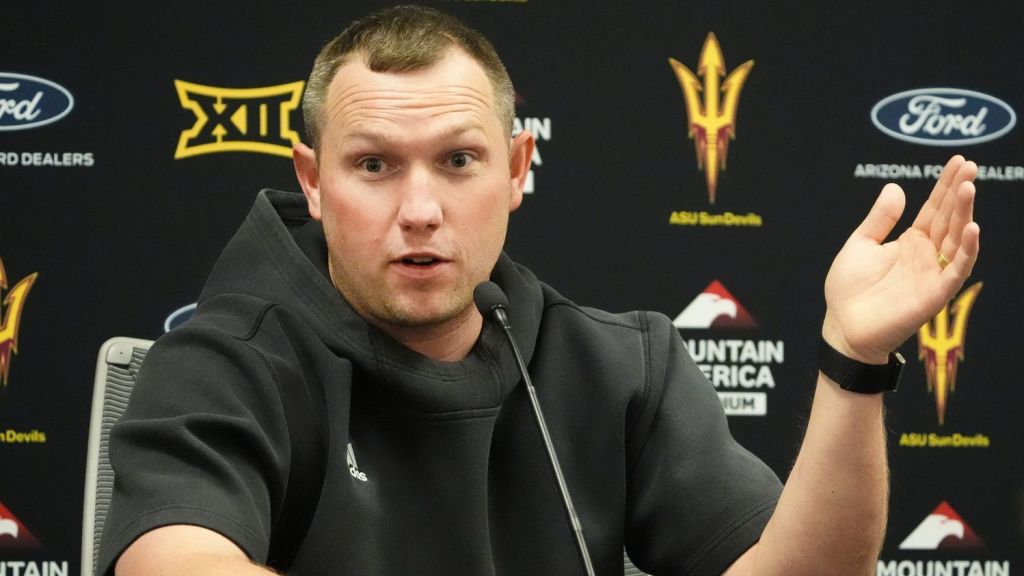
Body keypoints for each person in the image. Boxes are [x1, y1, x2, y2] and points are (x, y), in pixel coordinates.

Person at [97, 5, 980, 576]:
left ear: (518, 168)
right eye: (374, 166)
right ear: (313, 180)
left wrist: (853, 362)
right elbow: (174, 563)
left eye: (458, 160)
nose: (420, 210)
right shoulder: (222, 358)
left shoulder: (618, 365)